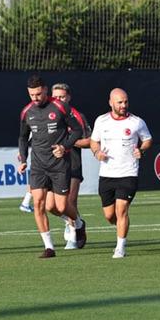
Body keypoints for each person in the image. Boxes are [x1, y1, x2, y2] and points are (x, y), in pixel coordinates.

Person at [17, 75, 86, 258]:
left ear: (45, 90)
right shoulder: (27, 112)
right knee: (39, 204)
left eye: (38, 94)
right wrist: (23, 159)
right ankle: (49, 247)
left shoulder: (60, 107)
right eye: (32, 95)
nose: (35, 98)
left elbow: (77, 130)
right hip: (38, 165)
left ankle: (79, 224)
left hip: (59, 165)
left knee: (61, 207)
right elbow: (23, 137)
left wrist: (64, 147)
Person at [90, 89, 152, 258]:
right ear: (111, 103)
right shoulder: (101, 121)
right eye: (119, 102)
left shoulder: (137, 122)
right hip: (107, 174)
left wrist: (141, 149)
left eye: (125, 102)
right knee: (110, 215)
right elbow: (94, 141)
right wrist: (97, 153)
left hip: (128, 173)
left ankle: (120, 247)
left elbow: (147, 139)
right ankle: (121, 227)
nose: (123, 105)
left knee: (122, 209)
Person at [50, 83, 92, 249]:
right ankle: (77, 222)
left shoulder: (77, 115)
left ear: (68, 97)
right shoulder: (45, 114)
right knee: (51, 206)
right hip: (51, 165)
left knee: (69, 201)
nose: (58, 100)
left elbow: (89, 141)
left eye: (62, 97)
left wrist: (68, 142)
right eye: (55, 97)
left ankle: (73, 236)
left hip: (72, 164)